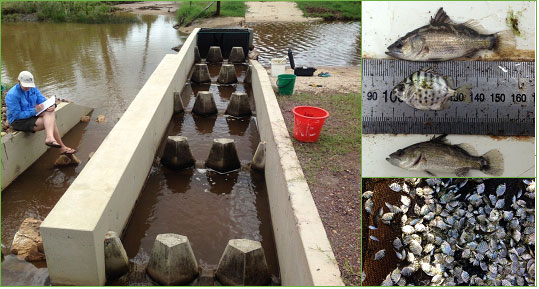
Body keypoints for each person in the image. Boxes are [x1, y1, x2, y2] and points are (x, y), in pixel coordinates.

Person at [5, 71, 76, 155]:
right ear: (18, 81)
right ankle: (62, 147)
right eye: (25, 85)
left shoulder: (33, 88)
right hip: (18, 120)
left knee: (50, 112)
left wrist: (53, 105)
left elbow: (43, 100)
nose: (28, 88)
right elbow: (18, 115)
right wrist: (34, 110)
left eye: (29, 85)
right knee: (50, 122)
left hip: (32, 113)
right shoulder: (12, 95)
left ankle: (50, 138)